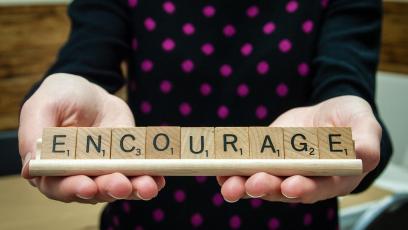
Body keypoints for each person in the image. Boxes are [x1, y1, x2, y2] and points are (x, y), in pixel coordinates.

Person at [18, 0, 392, 229]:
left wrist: (352, 125)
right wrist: (66, 84)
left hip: (294, 214)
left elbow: (346, 81)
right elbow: (87, 54)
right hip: (144, 213)